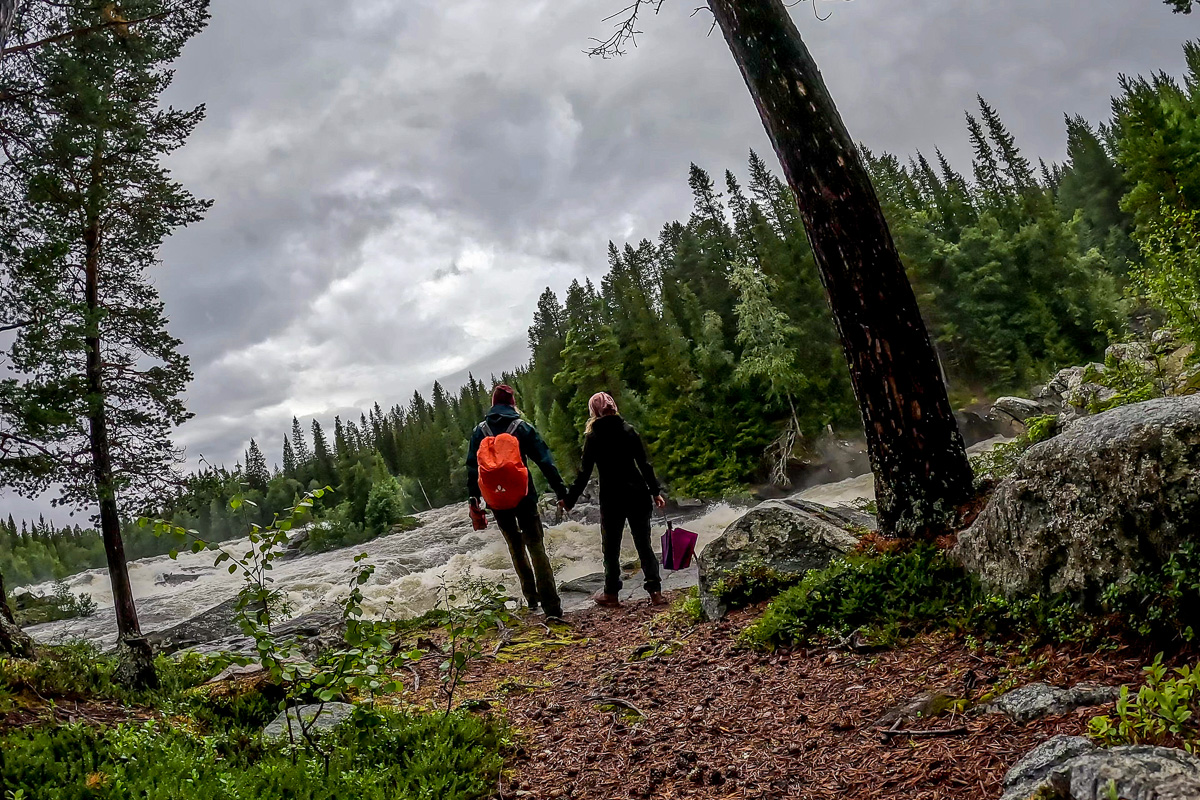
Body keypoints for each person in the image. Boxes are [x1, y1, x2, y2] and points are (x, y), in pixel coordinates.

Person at [467, 384, 567, 618]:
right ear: (512, 403)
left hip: (496, 499)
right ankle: (551, 606)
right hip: (524, 496)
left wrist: (474, 500)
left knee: (515, 546)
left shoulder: (479, 431)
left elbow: (472, 467)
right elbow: (545, 461)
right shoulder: (521, 427)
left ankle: (531, 599)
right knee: (536, 546)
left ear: (493, 404)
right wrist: (561, 492)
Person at [561, 392, 667, 608]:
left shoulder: (593, 437)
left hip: (612, 498)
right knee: (644, 544)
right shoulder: (628, 430)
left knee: (611, 548)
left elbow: (584, 473)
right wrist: (655, 491)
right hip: (637, 494)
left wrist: (570, 500)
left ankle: (611, 594)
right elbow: (644, 464)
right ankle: (655, 592)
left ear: (594, 411)